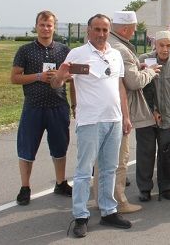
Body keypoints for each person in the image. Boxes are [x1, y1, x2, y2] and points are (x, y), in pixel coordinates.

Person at [51, 14, 133, 238]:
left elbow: (120, 87)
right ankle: (80, 215)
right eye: (96, 29)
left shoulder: (115, 55)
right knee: (84, 171)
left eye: (105, 30)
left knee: (108, 168)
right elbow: (58, 82)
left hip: (113, 120)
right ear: (88, 31)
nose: (101, 34)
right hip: (90, 121)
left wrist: (125, 117)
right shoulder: (77, 54)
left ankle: (108, 211)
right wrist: (59, 77)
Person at [11, 10, 72, 206]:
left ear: (54, 27)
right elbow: (14, 77)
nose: (46, 28)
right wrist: (38, 76)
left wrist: (60, 77)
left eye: (49, 25)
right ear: (36, 26)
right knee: (27, 147)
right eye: (42, 25)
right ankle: (25, 187)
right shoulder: (25, 50)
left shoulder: (64, 50)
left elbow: (73, 77)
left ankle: (61, 182)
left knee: (60, 146)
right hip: (34, 106)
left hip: (58, 106)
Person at [108, 11, 160, 213]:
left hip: (107, 108)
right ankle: (119, 202)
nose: (136, 31)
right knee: (119, 159)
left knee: (104, 160)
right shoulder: (120, 48)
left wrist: (137, 67)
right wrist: (150, 71)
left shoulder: (113, 44)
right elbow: (133, 81)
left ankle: (103, 199)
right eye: (134, 27)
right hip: (120, 109)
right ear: (124, 29)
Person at [137, 31, 170, 201]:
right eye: (161, 45)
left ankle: (166, 187)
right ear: (155, 45)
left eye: (168, 46)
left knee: (166, 153)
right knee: (146, 153)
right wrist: (152, 110)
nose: (165, 49)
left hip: (169, 117)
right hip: (146, 117)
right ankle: (144, 188)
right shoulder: (144, 60)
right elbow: (138, 89)